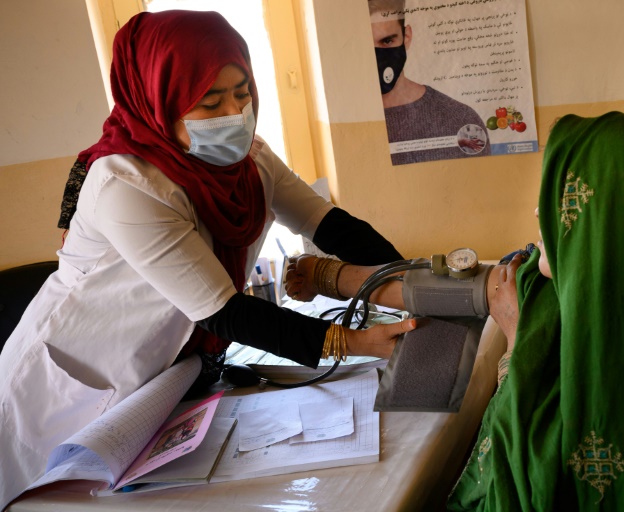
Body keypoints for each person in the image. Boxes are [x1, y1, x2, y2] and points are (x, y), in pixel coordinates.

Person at [0, 10, 415, 510]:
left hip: (161, 376)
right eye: (211, 102)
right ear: (160, 101)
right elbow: (224, 310)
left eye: (242, 93)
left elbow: (329, 224)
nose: (235, 114)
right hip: (67, 383)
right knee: (42, 497)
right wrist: (356, 343)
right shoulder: (125, 185)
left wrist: (412, 282)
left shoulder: (251, 162)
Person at [287, 112, 624, 510]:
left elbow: (543, 491)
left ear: (607, 218)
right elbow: (442, 289)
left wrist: (516, 346)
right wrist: (327, 275)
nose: (539, 217)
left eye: (561, 200)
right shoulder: (561, 280)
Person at [369, 0, 490, 165]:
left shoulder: (460, 120)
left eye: (387, 41)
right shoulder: (347, 122)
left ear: (407, 37)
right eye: (366, 44)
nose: (377, 56)